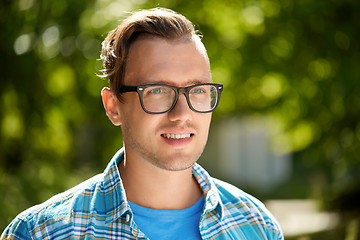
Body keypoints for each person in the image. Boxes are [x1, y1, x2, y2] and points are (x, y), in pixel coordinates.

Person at [1, 8, 284, 240]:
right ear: (113, 107)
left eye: (197, 90)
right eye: (157, 91)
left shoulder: (257, 226)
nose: (181, 113)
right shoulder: (41, 233)